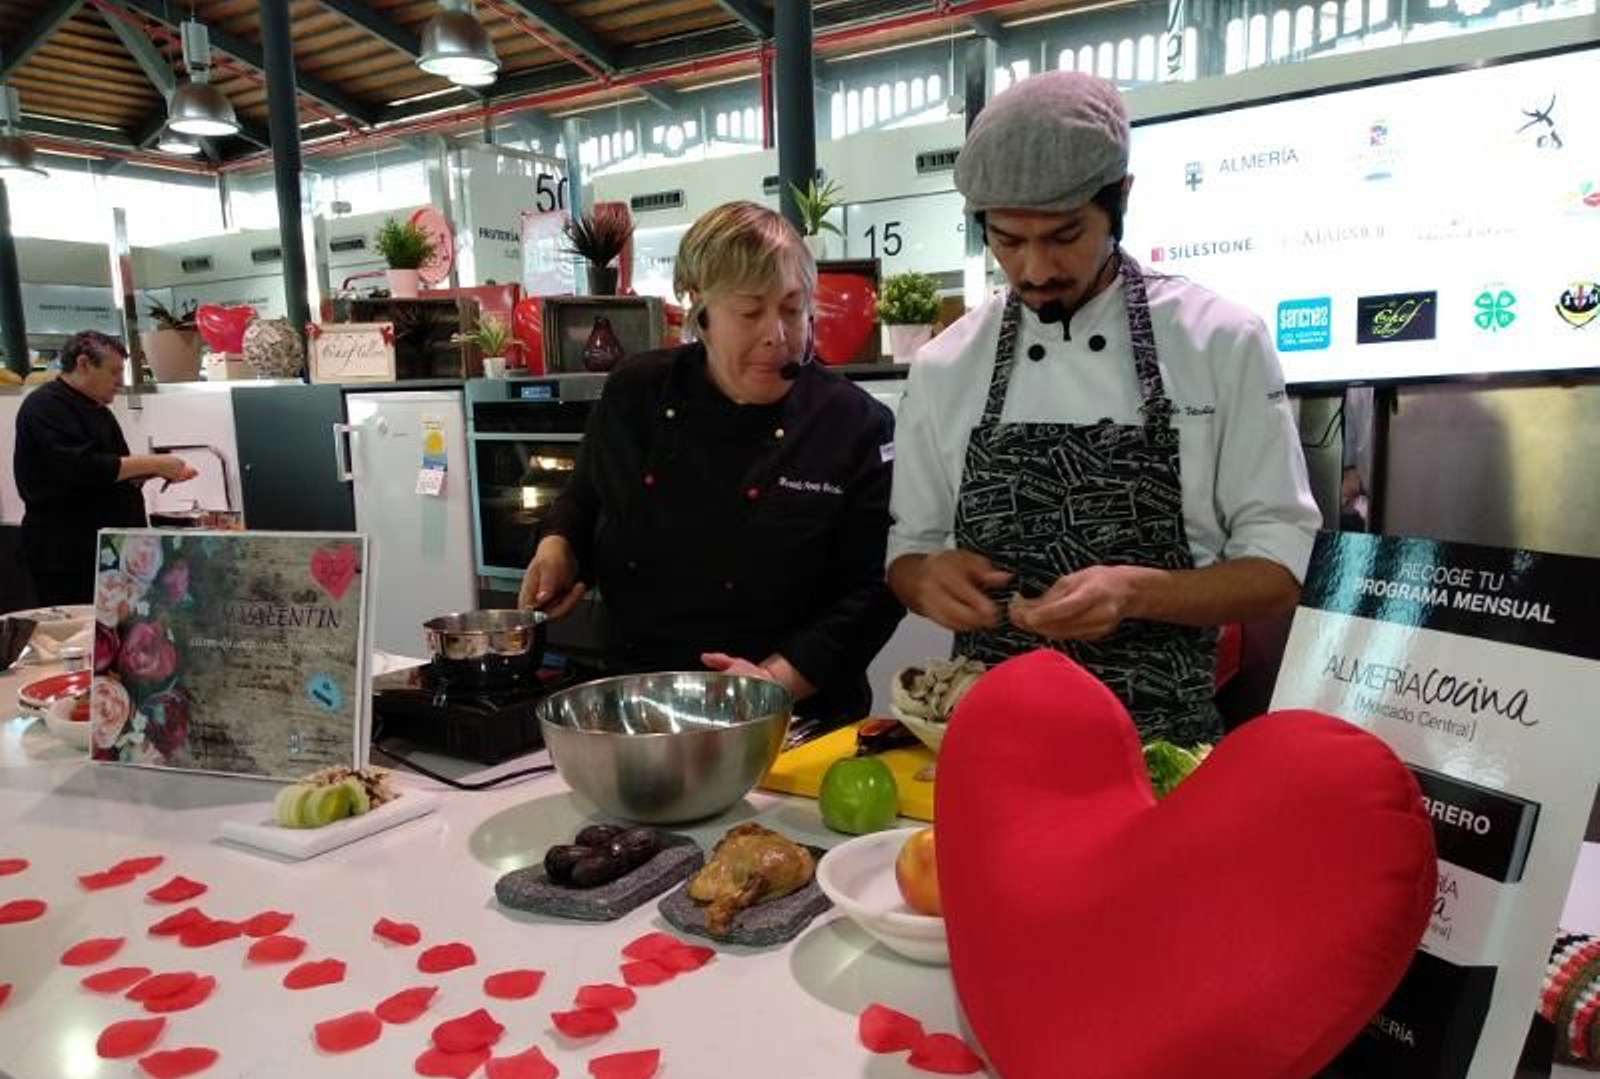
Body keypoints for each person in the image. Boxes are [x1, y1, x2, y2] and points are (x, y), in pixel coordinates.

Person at [887, 71, 1321, 744]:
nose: (1033, 269)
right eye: (1007, 239)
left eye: (1064, 236)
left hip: (1161, 751)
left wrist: (1137, 593)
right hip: (987, 748)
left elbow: (1278, 571)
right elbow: (908, 554)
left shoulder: (1220, 342)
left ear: (1121, 199)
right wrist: (925, 577)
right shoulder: (946, 366)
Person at [519, 201, 903, 724]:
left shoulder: (854, 424)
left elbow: (874, 590)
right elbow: (586, 497)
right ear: (699, 308)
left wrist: (771, 683)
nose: (777, 335)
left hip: (797, 721)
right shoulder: (637, 392)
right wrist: (558, 546)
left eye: (792, 309)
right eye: (749, 312)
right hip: (638, 708)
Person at [14, 332, 196, 604]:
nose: (120, 382)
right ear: (84, 364)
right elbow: (82, 467)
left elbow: (112, 471)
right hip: (67, 555)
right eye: (113, 371)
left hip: (107, 550)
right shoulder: (45, 406)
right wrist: (154, 463)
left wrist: (147, 473)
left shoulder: (98, 408)